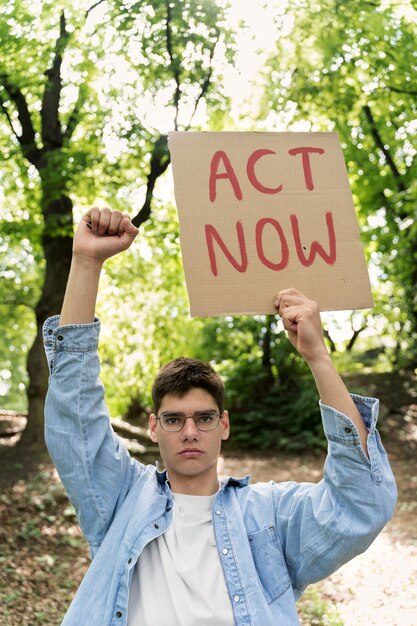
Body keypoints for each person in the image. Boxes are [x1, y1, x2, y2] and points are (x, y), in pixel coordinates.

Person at [43, 206, 397, 626]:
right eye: (174, 420)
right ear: (153, 427)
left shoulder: (268, 516)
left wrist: (317, 355)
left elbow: (362, 504)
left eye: (204, 418)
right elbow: (74, 415)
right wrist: (86, 263)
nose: (190, 432)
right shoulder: (120, 499)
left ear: (223, 425)